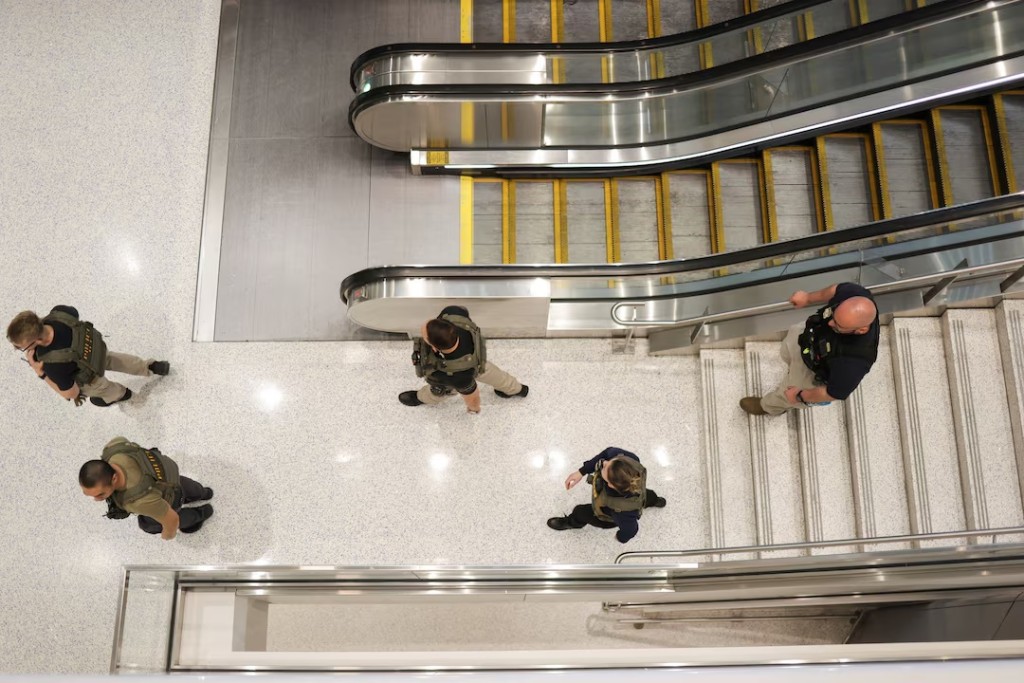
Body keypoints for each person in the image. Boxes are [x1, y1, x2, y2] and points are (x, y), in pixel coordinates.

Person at [740, 282, 879, 416]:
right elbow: (833, 290)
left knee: (787, 393)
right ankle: (792, 368)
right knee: (786, 350)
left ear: (861, 330)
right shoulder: (856, 294)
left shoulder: (854, 362)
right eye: (834, 315)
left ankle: (769, 406)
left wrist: (799, 396)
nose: (830, 322)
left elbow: (833, 393)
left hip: (813, 371)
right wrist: (808, 298)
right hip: (809, 337)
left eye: (838, 325)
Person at [7, 306, 169, 407]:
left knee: (106, 388)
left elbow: (71, 394)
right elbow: (74, 313)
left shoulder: (51, 364)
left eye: (23, 347)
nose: (23, 349)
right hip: (96, 351)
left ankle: (129, 397)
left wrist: (40, 373)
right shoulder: (59, 313)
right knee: (115, 360)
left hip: (90, 376)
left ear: (38, 340)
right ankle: (151, 366)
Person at [399, 305, 528, 413]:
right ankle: (517, 389)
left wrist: (474, 408)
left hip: (458, 374)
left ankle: (421, 398)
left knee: (438, 392)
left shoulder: (456, 375)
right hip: (476, 360)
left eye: (425, 337)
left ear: (434, 348)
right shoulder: (454, 312)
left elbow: (472, 395)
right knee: (492, 373)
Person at [79, 437, 214, 539]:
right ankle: (204, 492)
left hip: (168, 496)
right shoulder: (114, 446)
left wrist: (168, 534)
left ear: (114, 478)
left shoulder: (138, 501)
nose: (97, 499)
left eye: (100, 494)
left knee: (147, 524)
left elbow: (172, 519)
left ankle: (201, 513)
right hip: (167, 475)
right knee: (185, 484)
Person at [547, 447, 666, 543]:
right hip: (637, 494)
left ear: (610, 485)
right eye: (610, 462)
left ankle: (571, 522)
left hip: (608, 514)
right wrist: (581, 472)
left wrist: (621, 538)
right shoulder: (631, 460)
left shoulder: (624, 513)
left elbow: (631, 530)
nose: (604, 462)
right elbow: (608, 453)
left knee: (580, 512)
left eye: (604, 468)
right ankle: (655, 500)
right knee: (648, 495)